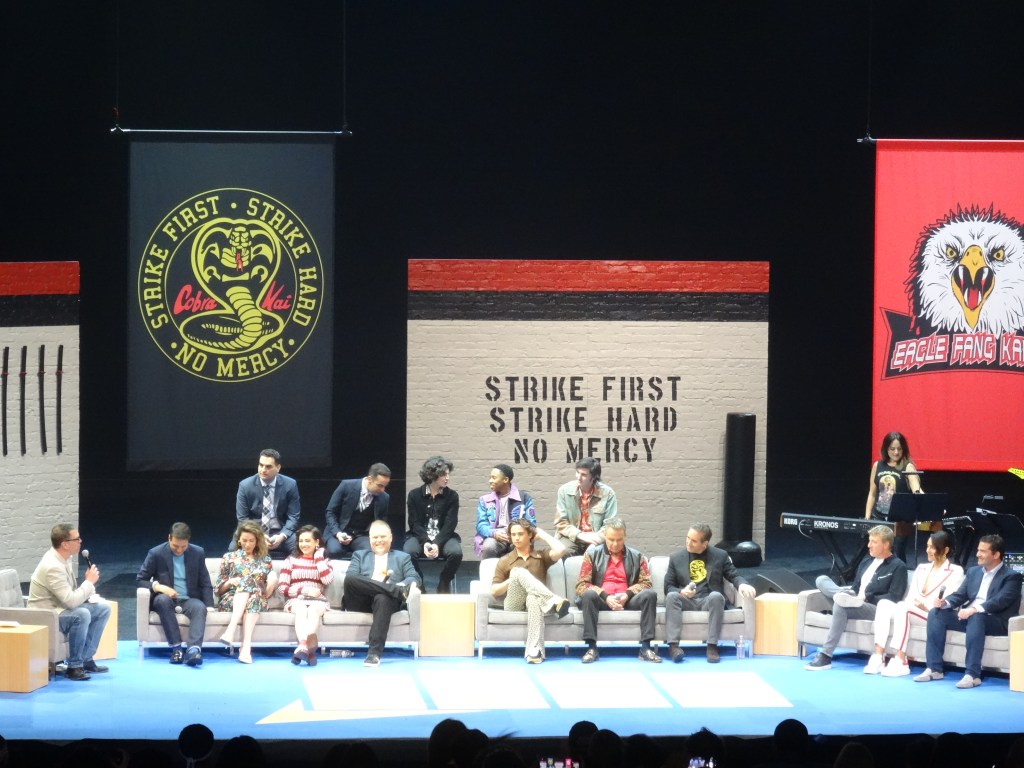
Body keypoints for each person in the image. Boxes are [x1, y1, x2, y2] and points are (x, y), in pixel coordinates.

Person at [915, 533, 1023, 688]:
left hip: (997, 621)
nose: (977, 554)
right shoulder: (973, 572)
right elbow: (960, 595)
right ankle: (934, 669)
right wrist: (945, 602)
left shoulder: (1012, 576)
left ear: (996, 555)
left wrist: (974, 609)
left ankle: (972, 675)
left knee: (977, 616)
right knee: (936, 613)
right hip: (972, 619)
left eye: (983, 551)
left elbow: (1001, 601)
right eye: (978, 550)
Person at [805, 524, 907, 670]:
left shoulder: (898, 566)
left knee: (841, 605)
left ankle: (826, 655)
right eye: (869, 541)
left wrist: (865, 598)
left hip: (875, 607)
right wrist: (851, 594)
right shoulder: (866, 561)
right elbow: (856, 587)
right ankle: (841, 596)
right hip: (855, 598)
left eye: (874, 542)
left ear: (886, 545)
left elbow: (894, 597)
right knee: (821, 580)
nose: (869, 545)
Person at [866, 529, 964, 676]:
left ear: (945, 550)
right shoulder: (921, 568)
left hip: (934, 615)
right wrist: (914, 604)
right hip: (912, 609)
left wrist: (924, 606)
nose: (928, 550)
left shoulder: (956, 571)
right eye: (927, 546)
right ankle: (878, 656)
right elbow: (910, 597)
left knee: (903, 607)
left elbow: (949, 601)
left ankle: (901, 660)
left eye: (932, 547)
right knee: (884, 604)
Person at [27, 523, 112, 681]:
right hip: (46, 614)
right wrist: (89, 583)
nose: (80, 541)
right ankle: (74, 666)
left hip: (60, 608)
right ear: (65, 544)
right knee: (81, 614)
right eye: (77, 539)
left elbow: (69, 594)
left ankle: (85, 659)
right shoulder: (52, 566)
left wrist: (88, 592)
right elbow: (71, 602)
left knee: (103, 608)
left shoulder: (65, 559)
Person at [664, 522, 756, 663]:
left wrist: (742, 584)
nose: (688, 542)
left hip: (709, 600)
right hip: (687, 600)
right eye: (688, 538)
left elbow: (733, 575)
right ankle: (673, 647)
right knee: (672, 596)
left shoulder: (720, 556)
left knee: (716, 596)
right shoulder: (676, 558)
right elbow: (668, 587)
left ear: (705, 543)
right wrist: (682, 591)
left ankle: (712, 646)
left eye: (694, 541)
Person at [574, 517, 661, 663]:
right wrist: (605, 596)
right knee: (588, 595)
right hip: (602, 601)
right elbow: (581, 585)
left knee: (650, 595)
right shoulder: (591, 555)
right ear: (605, 537)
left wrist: (627, 594)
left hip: (628, 600)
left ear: (625, 536)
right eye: (611, 539)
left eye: (619, 540)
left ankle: (646, 647)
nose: (615, 544)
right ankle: (592, 647)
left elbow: (646, 583)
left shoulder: (637, 556)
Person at [490, 518, 570, 663]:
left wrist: (542, 534)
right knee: (518, 572)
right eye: (513, 534)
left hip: (537, 603)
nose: (516, 538)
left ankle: (534, 651)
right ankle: (553, 600)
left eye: (520, 534)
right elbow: (494, 591)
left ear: (530, 535)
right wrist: (513, 578)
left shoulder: (541, 556)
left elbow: (561, 550)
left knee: (533, 598)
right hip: (514, 604)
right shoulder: (505, 560)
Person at [136, 522, 215, 667]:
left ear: (188, 541)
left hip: (189, 599)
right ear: (169, 538)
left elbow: (205, 581)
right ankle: (176, 648)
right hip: (166, 598)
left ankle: (193, 650)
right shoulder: (156, 553)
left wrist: (209, 605)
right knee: (162, 600)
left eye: (183, 547)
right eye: (175, 546)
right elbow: (141, 580)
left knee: (199, 607)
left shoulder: (198, 553)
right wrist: (159, 587)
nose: (179, 550)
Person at [343, 520, 420, 666]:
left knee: (382, 597)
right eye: (375, 537)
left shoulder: (402, 557)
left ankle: (374, 653)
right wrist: (395, 589)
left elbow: (414, 577)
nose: (378, 540)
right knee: (350, 578)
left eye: (382, 537)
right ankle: (397, 591)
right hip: (361, 601)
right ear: (370, 539)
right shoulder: (359, 555)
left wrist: (402, 584)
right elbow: (351, 578)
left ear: (390, 538)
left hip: (385, 604)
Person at [216, 521, 276, 664]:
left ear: (257, 541)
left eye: (251, 541)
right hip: (231, 599)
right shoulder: (229, 557)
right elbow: (218, 590)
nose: (247, 544)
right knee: (248, 585)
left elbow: (266, 594)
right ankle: (245, 648)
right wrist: (230, 582)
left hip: (258, 599)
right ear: (238, 540)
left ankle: (231, 632)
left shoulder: (265, 560)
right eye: (244, 540)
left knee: (253, 592)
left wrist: (272, 582)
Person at [403, 456, 462, 593]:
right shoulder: (414, 495)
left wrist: (436, 543)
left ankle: (444, 582)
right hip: (419, 536)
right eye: (444, 475)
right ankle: (419, 583)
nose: (447, 478)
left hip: (444, 537)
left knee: (456, 553)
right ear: (432, 475)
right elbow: (414, 523)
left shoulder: (452, 496)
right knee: (408, 552)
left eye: (448, 474)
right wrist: (426, 542)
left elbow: (450, 524)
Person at [277, 524, 334, 666]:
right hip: (296, 599)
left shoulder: (325, 561)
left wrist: (319, 558)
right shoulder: (291, 560)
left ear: (317, 542)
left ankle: (303, 649)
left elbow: (327, 580)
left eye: (307, 541)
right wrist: (304, 590)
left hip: (318, 601)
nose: (303, 544)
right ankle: (307, 648)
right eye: (301, 541)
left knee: (313, 610)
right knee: (301, 609)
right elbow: (282, 588)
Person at [865, 431, 924, 563]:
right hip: (879, 516)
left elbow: (917, 489)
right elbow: (872, 493)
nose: (896, 452)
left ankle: (899, 574)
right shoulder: (878, 465)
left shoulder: (907, 466)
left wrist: (930, 504)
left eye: (899, 449)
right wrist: (867, 518)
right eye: (892, 449)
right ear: (886, 449)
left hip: (900, 520)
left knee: (897, 552)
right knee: (875, 552)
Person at [235, 448, 301, 558]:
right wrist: (258, 535)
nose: (263, 470)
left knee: (300, 548)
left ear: (278, 468)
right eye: (261, 465)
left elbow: (293, 516)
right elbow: (242, 518)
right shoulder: (245, 486)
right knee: (233, 549)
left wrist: (282, 535)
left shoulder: (290, 484)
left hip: (280, 530)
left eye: (268, 466)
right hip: (254, 532)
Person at [554, 457, 619, 557]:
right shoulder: (564, 491)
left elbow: (610, 525)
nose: (578, 477)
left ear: (593, 477)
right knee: (560, 553)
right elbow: (560, 522)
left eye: (583, 475)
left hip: (596, 537)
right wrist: (580, 535)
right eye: (577, 472)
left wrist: (595, 542)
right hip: (572, 537)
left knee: (597, 556)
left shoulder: (608, 494)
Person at [324, 463, 392, 558]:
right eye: (380, 485)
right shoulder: (346, 486)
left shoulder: (384, 497)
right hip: (338, 530)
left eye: (385, 486)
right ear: (369, 479)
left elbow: (381, 522)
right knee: (334, 551)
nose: (382, 490)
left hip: (361, 535)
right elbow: (330, 512)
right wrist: (338, 533)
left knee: (369, 553)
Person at [475, 463, 537, 559]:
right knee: (488, 546)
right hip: (494, 537)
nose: (490, 481)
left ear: (505, 480)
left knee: (521, 545)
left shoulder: (524, 498)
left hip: (517, 535)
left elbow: (531, 524)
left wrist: (515, 534)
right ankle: (491, 569)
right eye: (490, 477)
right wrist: (494, 533)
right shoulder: (485, 500)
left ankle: (519, 569)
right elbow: (481, 525)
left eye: (494, 478)